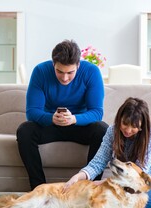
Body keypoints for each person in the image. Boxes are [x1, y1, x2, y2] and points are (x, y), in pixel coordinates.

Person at [16, 39, 109, 190]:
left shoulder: (91, 72)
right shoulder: (40, 71)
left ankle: (89, 189)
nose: (65, 78)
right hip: (51, 125)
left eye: (70, 72)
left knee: (102, 129)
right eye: (59, 71)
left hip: (79, 126)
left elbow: (97, 112)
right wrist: (51, 117)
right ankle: (39, 188)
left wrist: (74, 119)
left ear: (78, 65)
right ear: (53, 64)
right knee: (25, 130)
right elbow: (32, 112)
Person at [64, 97, 151, 208]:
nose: (128, 130)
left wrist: (104, 181)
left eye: (134, 126)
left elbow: (140, 171)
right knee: (110, 205)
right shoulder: (112, 131)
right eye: (125, 124)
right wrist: (78, 176)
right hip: (126, 182)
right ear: (119, 119)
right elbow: (98, 162)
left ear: (142, 126)